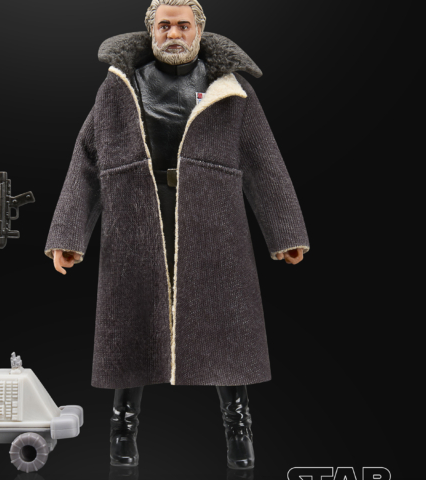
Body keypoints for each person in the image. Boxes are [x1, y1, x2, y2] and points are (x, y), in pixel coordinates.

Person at [44, 0, 309, 470]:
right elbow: (87, 156)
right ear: (151, 31)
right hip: (137, 216)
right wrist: (69, 234)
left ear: (199, 30)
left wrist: (286, 232)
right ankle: (123, 428)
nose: (173, 34)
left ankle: (238, 426)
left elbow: (263, 160)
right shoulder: (121, 85)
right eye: (164, 25)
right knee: (132, 322)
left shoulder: (229, 87)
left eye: (183, 25)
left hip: (213, 220)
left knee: (225, 322)